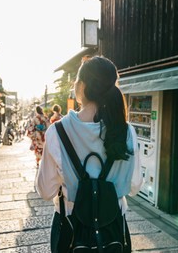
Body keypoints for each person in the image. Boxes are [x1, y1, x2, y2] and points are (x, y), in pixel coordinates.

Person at [36, 56, 142, 252]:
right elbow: (134, 186)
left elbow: (45, 191)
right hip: (114, 231)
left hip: (71, 230)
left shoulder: (57, 132)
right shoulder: (126, 131)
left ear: (82, 86)